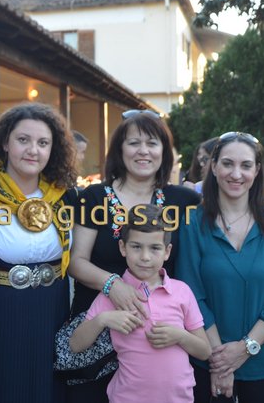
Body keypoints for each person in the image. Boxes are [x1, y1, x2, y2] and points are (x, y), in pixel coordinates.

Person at [67, 110, 202, 401]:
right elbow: (76, 262)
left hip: (157, 338)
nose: (143, 151)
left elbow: (232, 202)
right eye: (134, 143)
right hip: (98, 329)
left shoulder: (184, 200)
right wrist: (112, 285)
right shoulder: (94, 197)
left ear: (164, 151)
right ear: (120, 149)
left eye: (152, 143)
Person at [0, 102, 78, 403]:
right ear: (5, 143)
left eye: (43, 143)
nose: (33, 150)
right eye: (23, 140)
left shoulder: (65, 196)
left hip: (52, 312)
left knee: (47, 388)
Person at [177, 132, 264, 402]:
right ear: (214, 166)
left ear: (257, 170)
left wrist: (245, 347)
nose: (236, 174)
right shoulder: (193, 223)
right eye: (228, 163)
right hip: (208, 361)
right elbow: (191, 294)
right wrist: (219, 361)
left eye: (246, 165)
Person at [70, 205, 211, 403]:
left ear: (167, 251)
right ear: (123, 248)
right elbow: (75, 345)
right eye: (136, 247)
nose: (145, 257)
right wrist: (103, 319)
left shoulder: (182, 292)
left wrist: (180, 336)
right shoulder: (114, 295)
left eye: (155, 248)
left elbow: (205, 351)